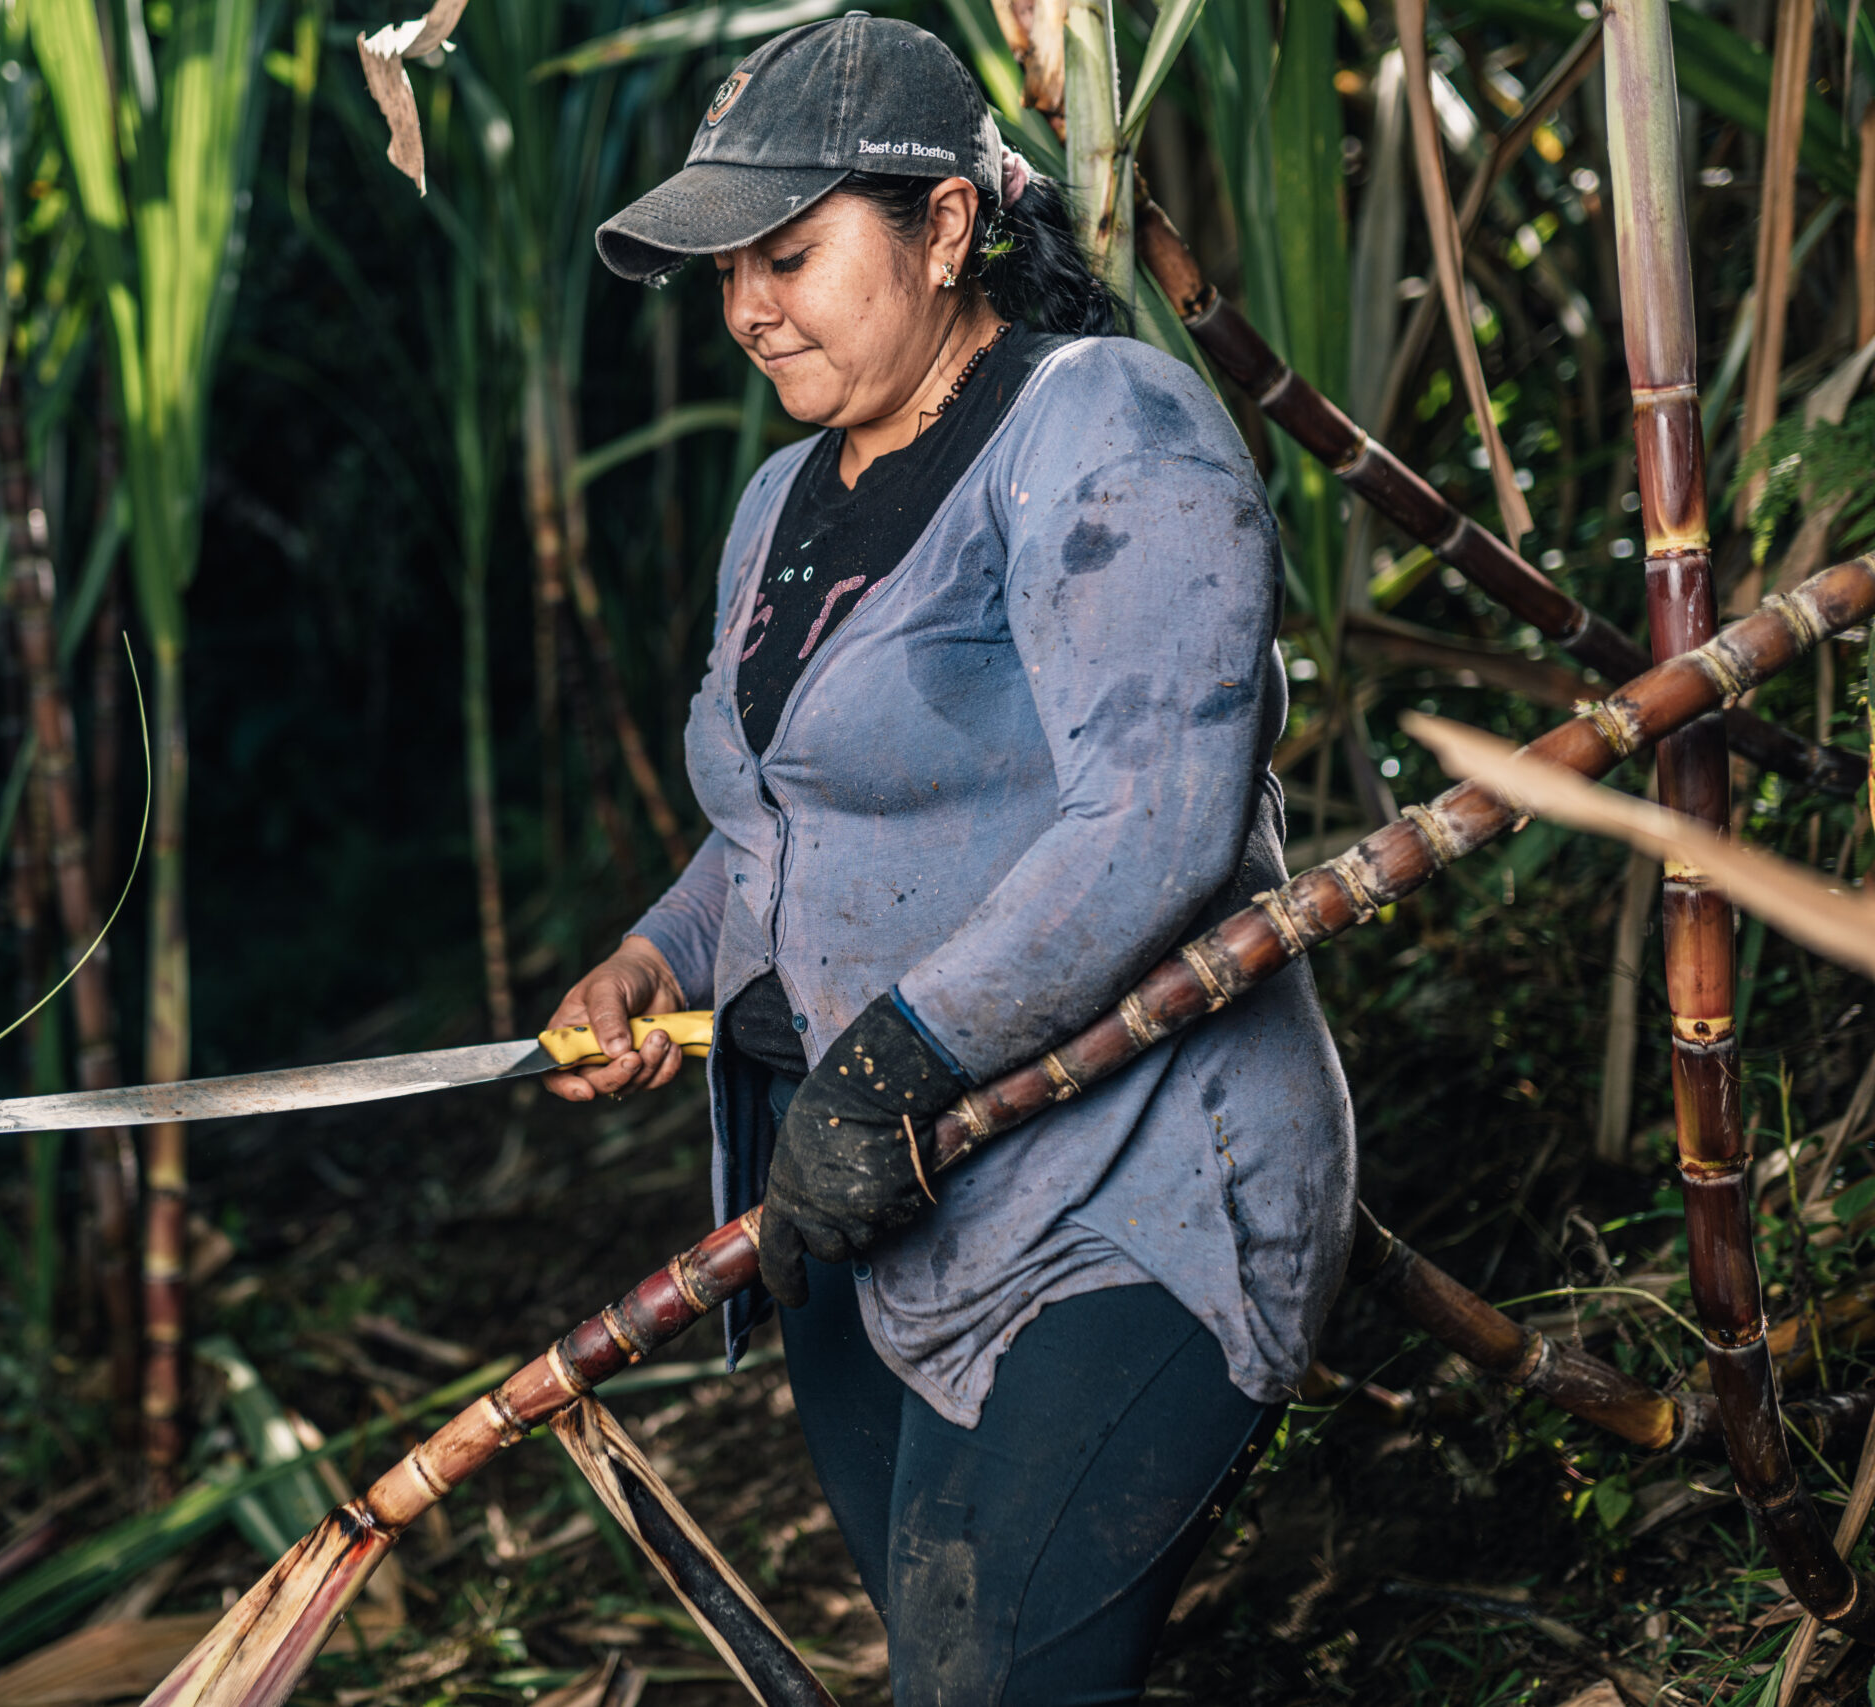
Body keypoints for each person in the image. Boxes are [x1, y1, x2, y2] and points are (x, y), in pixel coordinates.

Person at [538, 15, 1355, 1704]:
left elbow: (1157, 820)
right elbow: (778, 822)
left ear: (949, 226)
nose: (750, 307)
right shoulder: (780, 503)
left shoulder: (1102, 424)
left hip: (1122, 1193)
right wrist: (654, 961)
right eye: (727, 271)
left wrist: (891, 1057)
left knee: (990, 1683)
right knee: (946, 1669)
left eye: (791, 253)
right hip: (873, 1205)